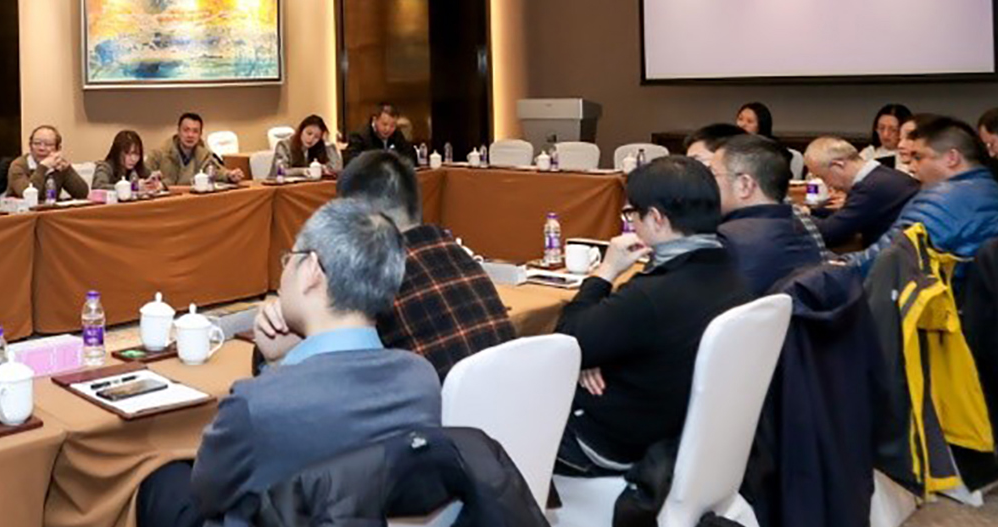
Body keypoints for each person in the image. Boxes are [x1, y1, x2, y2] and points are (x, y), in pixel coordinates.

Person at [135, 199, 438, 527]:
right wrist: (281, 362)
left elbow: (209, 494)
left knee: (160, 485)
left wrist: (274, 371)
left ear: (312, 270)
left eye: (290, 258)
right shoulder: (421, 380)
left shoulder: (258, 404)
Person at [555, 157, 750, 476]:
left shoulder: (653, 294)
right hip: (683, 433)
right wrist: (592, 351)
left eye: (632, 213)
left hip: (619, 444)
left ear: (656, 218)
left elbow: (566, 345)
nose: (631, 223)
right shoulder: (730, 270)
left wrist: (605, 271)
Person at [328, 150, 513, 378]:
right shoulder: (459, 255)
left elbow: (333, 363)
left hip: (434, 400)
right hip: (505, 395)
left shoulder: (376, 276)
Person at [846, 114, 998, 272]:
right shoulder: (990, 189)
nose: (911, 167)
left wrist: (838, 267)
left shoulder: (942, 200)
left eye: (918, 157)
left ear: (951, 158)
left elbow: (884, 260)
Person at [707, 134, 825, 295]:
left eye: (712, 175)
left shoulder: (726, 240)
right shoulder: (803, 230)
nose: (707, 184)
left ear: (744, 185)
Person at [803, 136, 919, 250]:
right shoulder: (880, 176)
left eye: (822, 177)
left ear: (838, 166)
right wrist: (811, 212)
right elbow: (848, 212)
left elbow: (829, 235)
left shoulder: (872, 187)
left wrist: (799, 216)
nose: (827, 185)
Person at [4, 123, 90, 200]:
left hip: (51, 211)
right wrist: (43, 167)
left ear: (58, 149)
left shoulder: (58, 165)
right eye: (37, 143)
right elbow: (27, 195)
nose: (41, 148)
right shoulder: (18, 165)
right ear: (30, 146)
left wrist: (67, 169)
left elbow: (82, 194)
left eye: (48, 144)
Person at [154, 111, 233, 187]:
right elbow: (147, 175)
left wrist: (229, 175)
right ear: (178, 131)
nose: (190, 135)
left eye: (195, 131)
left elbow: (215, 171)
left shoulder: (203, 155)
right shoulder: (160, 153)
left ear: (200, 134)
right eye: (186, 130)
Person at [96, 128, 166, 194]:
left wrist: (155, 182)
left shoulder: (138, 168)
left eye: (137, 154)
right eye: (128, 154)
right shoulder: (105, 167)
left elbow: (154, 178)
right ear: (117, 153)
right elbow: (98, 186)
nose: (133, 159)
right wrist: (133, 187)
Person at [346, 102, 417, 161]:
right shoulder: (359, 136)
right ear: (374, 120)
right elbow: (352, 162)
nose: (388, 129)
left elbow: (409, 156)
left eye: (392, 125)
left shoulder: (396, 134)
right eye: (384, 124)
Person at [278, 113, 343, 176]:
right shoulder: (284, 145)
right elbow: (281, 171)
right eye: (309, 133)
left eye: (316, 137)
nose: (311, 139)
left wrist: (327, 143)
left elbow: (337, 169)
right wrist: (302, 171)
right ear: (301, 131)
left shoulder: (318, 147)